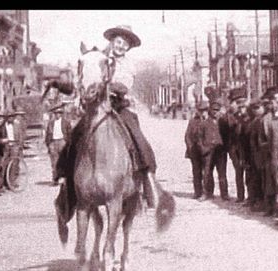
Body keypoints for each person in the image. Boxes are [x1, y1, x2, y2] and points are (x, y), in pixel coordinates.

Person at [51, 25, 160, 222]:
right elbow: (86, 78)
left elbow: (125, 86)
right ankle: (67, 181)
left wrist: (108, 86)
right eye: (118, 42)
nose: (121, 46)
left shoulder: (128, 65)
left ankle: (147, 181)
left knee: (138, 138)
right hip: (97, 106)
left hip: (120, 107)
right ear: (112, 42)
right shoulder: (98, 59)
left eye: (125, 44)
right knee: (75, 136)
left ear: (128, 48)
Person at [198, 101, 224, 201]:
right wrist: (203, 148)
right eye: (213, 110)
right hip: (208, 151)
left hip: (220, 151)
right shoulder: (204, 123)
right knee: (207, 173)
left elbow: (227, 136)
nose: (215, 112)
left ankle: (224, 194)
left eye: (217, 110)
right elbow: (199, 138)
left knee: (222, 173)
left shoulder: (222, 122)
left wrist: (224, 147)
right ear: (210, 110)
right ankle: (207, 193)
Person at [45, 102, 72, 185]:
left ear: (61, 114)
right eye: (56, 113)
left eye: (59, 113)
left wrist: (68, 143)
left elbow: (69, 133)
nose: (57, 115)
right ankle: (55, 179)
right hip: (53, 142)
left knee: (65, 161)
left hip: (62, 142)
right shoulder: (51, 123)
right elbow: (47, 134)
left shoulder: (66, 122)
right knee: (54, 162)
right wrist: (48, 144)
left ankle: (66, 179)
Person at [185, 102, 207, 199]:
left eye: (204, 110)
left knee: (206, 172)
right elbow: (187, 136)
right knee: (196, 172)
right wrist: (190, 147)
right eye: (200, 110)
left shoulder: (209, 121)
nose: (202, 112)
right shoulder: (192, 121)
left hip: (206, 151)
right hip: (194, 151)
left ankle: (206, 192)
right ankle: (197, 192)